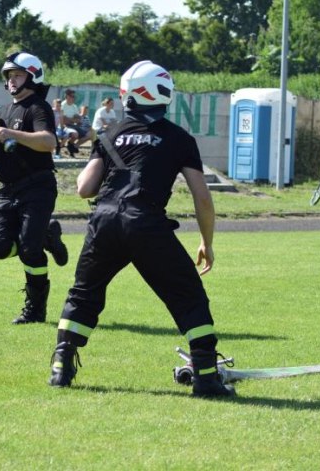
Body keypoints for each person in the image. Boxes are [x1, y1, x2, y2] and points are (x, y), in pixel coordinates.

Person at [48, 60, 235, 397]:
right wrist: (207, 241)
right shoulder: (178, 138)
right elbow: (202, 199)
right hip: (146, 222)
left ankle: (61, 364)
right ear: (164, 94)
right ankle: (206, 376)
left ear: (127, 96)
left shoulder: (109, 135)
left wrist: (103, 151)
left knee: (84, 293)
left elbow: (84, 189)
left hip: (103, 221)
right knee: (188, 295)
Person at [0, 51, 69, 324]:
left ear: (32, 76)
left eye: (17, 74)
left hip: (38, 187)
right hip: (8, 191)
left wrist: (10, 134)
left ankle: (35, 310)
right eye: (9, 76)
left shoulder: (38, 107)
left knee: (29, 249)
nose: (12, 80)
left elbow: (49, 142)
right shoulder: (4, 111)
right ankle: (46, 237)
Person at [61, 89, 82, 157]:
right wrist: (74, 120)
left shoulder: (74, 106)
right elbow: (64, 120)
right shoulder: (62, 105)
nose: (74, 98)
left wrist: (70, 119)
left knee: (89, 134)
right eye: (72, 96)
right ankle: (70, 147)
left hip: (73, 126)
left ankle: (72, 146)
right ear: (67, 96)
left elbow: (79, 120)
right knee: (75, 134)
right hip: (64, 126)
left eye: (74, 96)